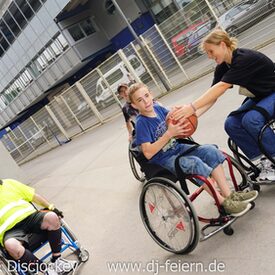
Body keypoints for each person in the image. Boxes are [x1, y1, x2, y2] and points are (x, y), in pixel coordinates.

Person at [128, 83, 258, 217]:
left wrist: (183, 112)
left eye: (146, 95)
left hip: (177, 148)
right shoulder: (142, 123)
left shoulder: (158, 108)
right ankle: (223, 203)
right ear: (134, 105)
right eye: (139, 100)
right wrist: (169, 134)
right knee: (194, 162)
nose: (145, 101)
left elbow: (177, 119)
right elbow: (148, 153)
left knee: (210, 150)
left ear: (151, 94)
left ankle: (230, 195)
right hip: (163, 159)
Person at [172, 29, 275, 181]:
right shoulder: (223, 66)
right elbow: (213, 95)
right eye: (207, 53)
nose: (209, 56)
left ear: (222, 45)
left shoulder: (243, 59)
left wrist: (191, 107)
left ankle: (273, 157)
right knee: (231, 123)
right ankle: (265, 160)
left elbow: (221, 87)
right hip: (261, 95)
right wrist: (193, 116)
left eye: (211, 51)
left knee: (251, 120)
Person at [0, 178, 76, 275]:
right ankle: (47, 271)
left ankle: (57, 261)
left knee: (52, 217)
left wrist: (52, 208)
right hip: (10, 232)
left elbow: (33, 196)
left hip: (30, 218)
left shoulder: (9, 183)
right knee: (11, 245)